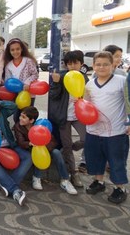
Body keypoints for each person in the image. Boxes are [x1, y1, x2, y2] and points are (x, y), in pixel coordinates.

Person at [84, 51, 130, 204]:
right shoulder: (89, 84)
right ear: (93, 66)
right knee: (96, 158)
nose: (101, 67)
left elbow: (129, 102)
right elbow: (85, 104)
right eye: (98, 64)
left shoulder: (122, 81)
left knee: (116, 161)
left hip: (116, 131)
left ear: (113, 65)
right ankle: (99, 182)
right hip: (94, 130)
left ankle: (120, 188)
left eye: (105, 64)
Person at [14, 106, 77, 195]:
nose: (20, 118)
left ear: (31, 120)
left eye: (24, 117)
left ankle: (65, 180)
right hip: (29, 149)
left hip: (44, 149)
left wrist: (43, 146)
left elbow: (53, 141)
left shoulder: (40, 127)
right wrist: (30, 144)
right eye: (20, 116)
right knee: (36, 152)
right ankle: (37, 177)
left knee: (56, 152)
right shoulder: (18, 126)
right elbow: (20, 142)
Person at [48, 50, 87, 187]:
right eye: (69, 63)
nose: (72, 66)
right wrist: (57, 83)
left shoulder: (85, 78)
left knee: (86, 138)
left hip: (79, 115)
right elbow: (53, 96)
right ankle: (74, 173)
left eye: (75, 63)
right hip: (64, 117)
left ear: (81, 63)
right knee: (67, 144)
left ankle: (68, 148)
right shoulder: (62, 76)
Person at [0, 99, 32, 206]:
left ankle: (7, 185)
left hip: (10, 146)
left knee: (28, 157)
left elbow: (14, 106)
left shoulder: (2, 116)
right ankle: (15, 190)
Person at [3, 38, 39, 122]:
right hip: (16, 95)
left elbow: (35, 74)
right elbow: (8, 80)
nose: (15, 52)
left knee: (28, 117)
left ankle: (28, 134)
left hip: (29, 94)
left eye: (17, 49)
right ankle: (18, 133)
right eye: (12, 50)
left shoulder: (28, 61)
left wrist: (28, 82)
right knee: (17, 117)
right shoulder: (8, 65)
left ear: (22, 49)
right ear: (9, 51)